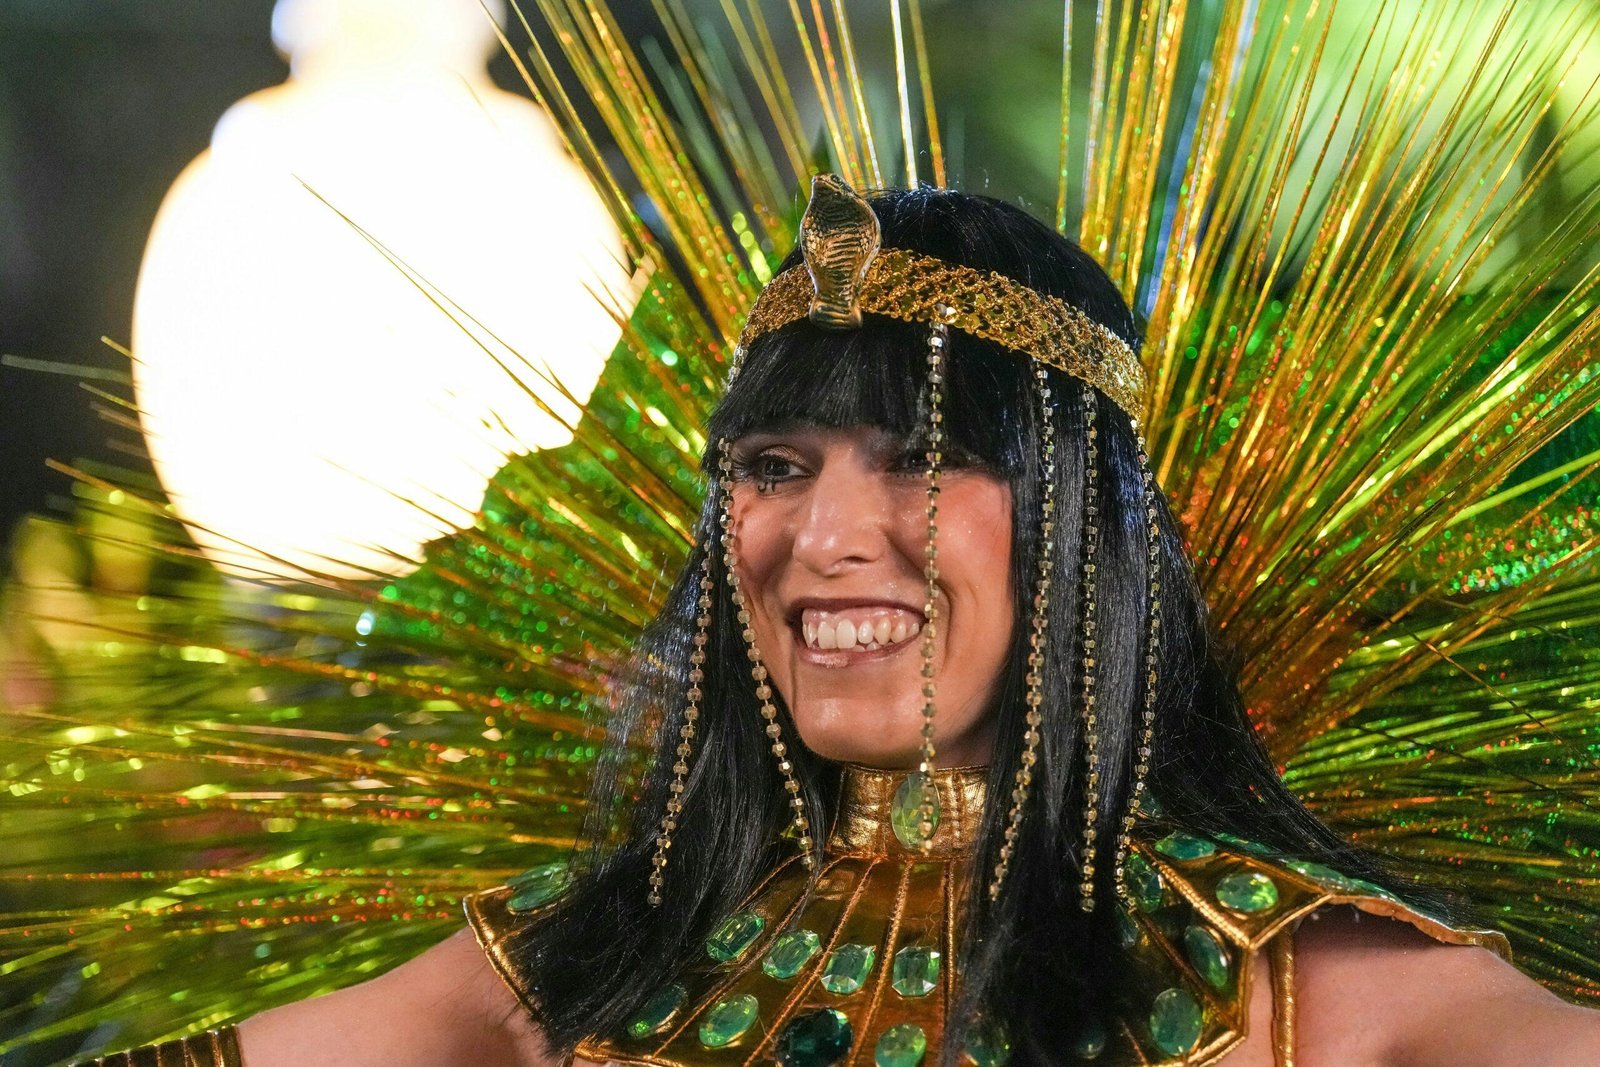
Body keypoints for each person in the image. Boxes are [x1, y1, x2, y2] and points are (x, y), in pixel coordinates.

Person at [91, 180, 1600, 1066]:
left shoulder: (1290, 982)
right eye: (775, 467)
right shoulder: (582, 964)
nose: (823, 541)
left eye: (925, 458)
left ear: (1074, 523)